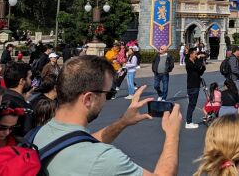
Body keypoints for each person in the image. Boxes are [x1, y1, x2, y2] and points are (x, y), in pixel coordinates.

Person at [31, 55, 182, 176]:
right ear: (88, 99)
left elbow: (77, 143)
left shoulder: (40, 133)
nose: (107, 100)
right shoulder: (104, 159)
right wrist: (172, 134)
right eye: (108, 94)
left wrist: (123, 122)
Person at [2, 61, 32, 138]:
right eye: (29, 77)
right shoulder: (23, 108)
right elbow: (26, 136)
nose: (31, 81)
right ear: (22, 81)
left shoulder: (2, 97)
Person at [186, 47, 206, 129]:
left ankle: (189, 121)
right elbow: (197, 66)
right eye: (195, 53)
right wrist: (199, 59)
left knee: (192, 104)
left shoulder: (193, 62)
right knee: (192, 104)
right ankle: (188, 122)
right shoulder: (189, 63)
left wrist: (204, 67)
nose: (196, 55)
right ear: (191, 54)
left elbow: (199, 73)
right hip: (192, 86)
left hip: (196, 85)